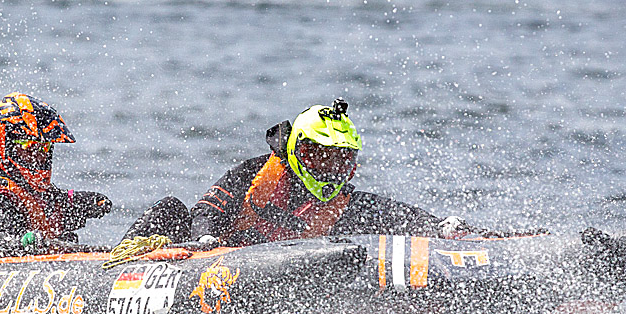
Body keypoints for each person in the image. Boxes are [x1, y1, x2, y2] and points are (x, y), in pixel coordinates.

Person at [121, 98, 478, 246]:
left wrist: (445, 227)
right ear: (295, 150)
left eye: (339, 160)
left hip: (277, 281)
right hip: (211, 271)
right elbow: (205, 212)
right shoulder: (252, 174)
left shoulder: (345, 202)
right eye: (318, 156)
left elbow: (398, 215)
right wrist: (205, 242)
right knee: (169, 209)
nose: (327, 169)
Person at [0, 91, 111, 253]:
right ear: (4, 144)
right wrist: (22, 242)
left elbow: (50, 205)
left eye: (43, 148)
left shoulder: (19, 182)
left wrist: (81, 203)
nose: (37, 157)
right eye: (28, 147)